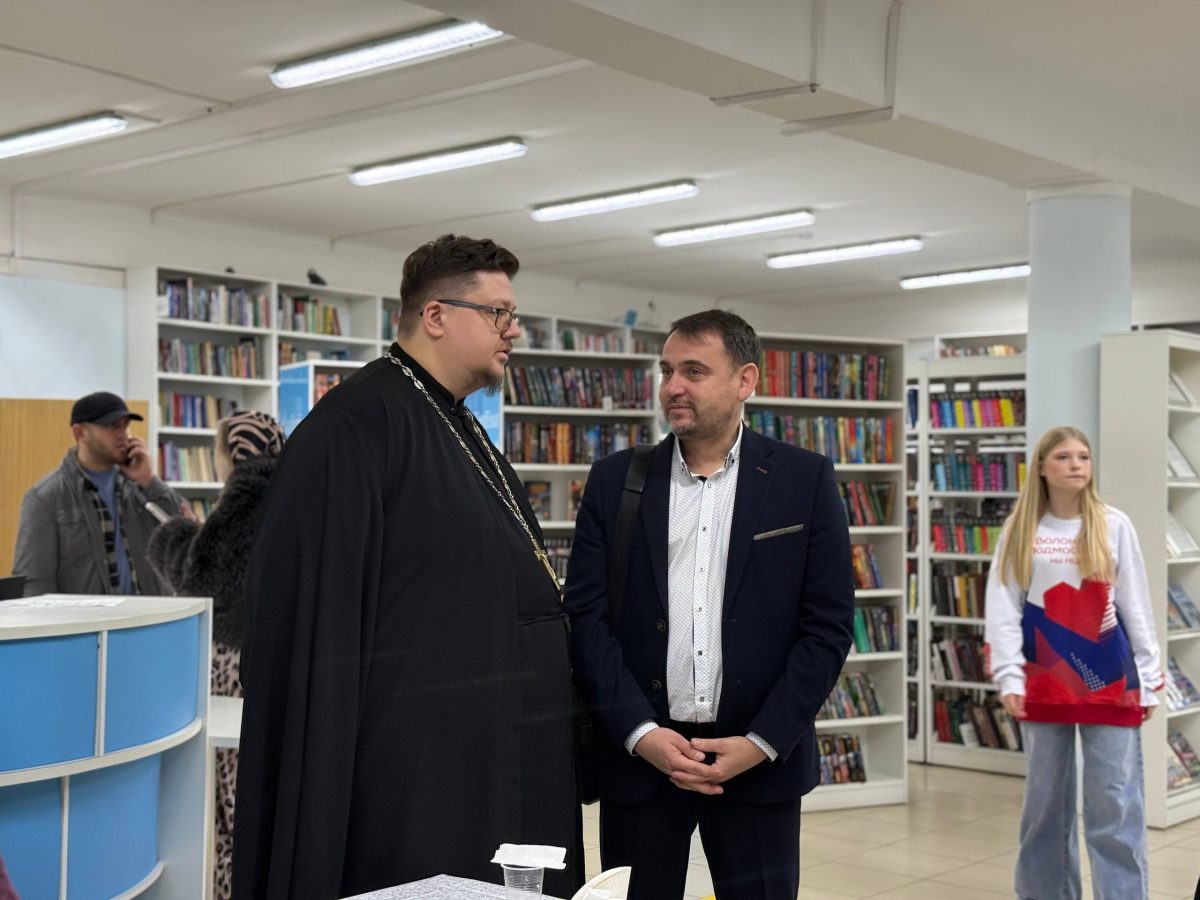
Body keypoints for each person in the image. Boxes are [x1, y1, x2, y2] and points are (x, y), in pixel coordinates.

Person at [232, 235, 583, 900]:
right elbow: (317, 627)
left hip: (488, 745)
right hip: (415, 770)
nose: (513, 331)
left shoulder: (455, 420)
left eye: (513, 315)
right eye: (498, 313)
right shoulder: (355, 426)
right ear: (436, 316)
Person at [564, 310, 855, 900]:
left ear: (745, 380)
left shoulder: (803, 479)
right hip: (642, 762)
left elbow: (827, 627)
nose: (673, 386)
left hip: (757, 766)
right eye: (667, 370)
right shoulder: (615, 481)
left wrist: (762, 741)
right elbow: (586, 620)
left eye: (694, 371)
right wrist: (640, 732)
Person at [984, 425, 1162, 900]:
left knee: (1114, 803)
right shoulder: (1021, 529)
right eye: (1064, 457)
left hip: (1111, 682)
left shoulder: (1114, 524)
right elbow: (1002, 604)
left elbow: (1136, 604)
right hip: (1042, 680)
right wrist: (1008, 676)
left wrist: (1150, 677)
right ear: (1042, 467)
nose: (1076, 465)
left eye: (1083, 456)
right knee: (1046, 805)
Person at [146, 410, 284, 900]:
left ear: (232, 454)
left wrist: (175, 536)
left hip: (233, 659)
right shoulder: (294, 493)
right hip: (281, 658)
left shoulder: (243, 498)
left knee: (230, 792)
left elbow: (199, 577)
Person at [13, 391, 183, 597]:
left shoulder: (139, 487)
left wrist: (149, 481)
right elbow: (34, 583)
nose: (123, 434)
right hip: (87, 617)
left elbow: (181, 534)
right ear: (79, 433)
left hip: (148, 616)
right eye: (111, 426)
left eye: (125, 425)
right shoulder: (45, 498)